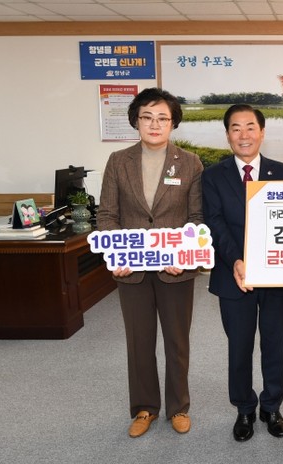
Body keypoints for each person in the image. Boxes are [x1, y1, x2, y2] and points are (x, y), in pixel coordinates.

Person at [97, 87, 203, 438]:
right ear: (136, 121)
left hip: (176, 270)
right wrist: (118, 253)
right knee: (138, 341)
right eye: (147, 117)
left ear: (173, 123)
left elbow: (197, 219)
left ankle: (179, 407)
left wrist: (183, 254)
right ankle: (144, 408)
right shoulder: (118, 161)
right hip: (132, 271)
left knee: (177, 341)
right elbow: (107, 215)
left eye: (162, 118)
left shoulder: (190, 162)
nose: (154, 125)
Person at [202, 104, 283, 442]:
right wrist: (237, 260)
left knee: (274, 343)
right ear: (228, 134)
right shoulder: (213, 175)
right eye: (236, 128)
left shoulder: (282, 172)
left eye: (250, 127)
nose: (244, 135)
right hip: (233, 275)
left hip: (274, 275)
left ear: (262, 132)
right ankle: (244, 408)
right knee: (239, 346)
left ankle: (272, 407)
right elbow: (214, 223)